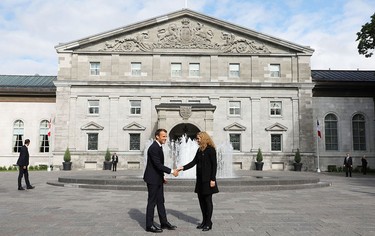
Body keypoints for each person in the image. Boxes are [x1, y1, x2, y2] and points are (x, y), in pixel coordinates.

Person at [178, 131, 219, 231]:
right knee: (201, 201)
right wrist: (182, 168)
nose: (197, 140)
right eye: (197, 138)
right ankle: (204, 221)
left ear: (204, 138)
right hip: (200, 180)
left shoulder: (211, 150)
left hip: (208, 180)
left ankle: (209, 222)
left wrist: (213, 179)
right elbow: (193, 162)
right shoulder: (200, 150)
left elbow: (214, 166)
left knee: (208, 201)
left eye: (198, 138)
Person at [143, 129, 179, 233]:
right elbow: (158, 164)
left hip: (157, 178)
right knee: (152, 202)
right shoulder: (154, 148)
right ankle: (149, 225)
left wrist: (162, 176)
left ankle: (163, 222)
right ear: (157, 137)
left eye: (166, 136)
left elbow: (157, 166)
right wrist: (172, 171)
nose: (165, 138)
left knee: (160, 201)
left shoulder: (158, 146)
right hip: (152, 179)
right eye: (163, 136)